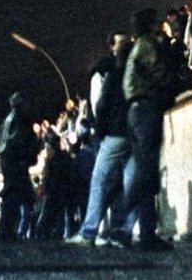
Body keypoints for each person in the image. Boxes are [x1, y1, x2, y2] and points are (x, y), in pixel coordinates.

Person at [121, 8, 192, 251]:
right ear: (149, 26)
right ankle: (121, 220)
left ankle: (147, 235)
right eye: (155, 24)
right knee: (147, 172)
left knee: (147, 171)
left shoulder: (138, 48)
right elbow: (161, 76)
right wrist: (185, 84)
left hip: (137, 111)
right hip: (146, 110)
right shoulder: (148, 46)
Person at [73, 31, 134, 247]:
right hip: (134, 133)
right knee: (131, 182)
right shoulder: (137, 67)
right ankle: (123, 230)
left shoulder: (108, 70)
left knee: (100, 180)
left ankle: (90, 232)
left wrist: (100, 131)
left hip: (114, 133)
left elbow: (101, 104)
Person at [0, 92, 40, 242]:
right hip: (16, 162)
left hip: (9, 162)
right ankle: (6, 233)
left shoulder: (8, 119)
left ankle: (7, 232)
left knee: (14, 197)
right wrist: (29, 155)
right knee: (13, 198)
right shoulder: (20, 119)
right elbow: (21, 141)